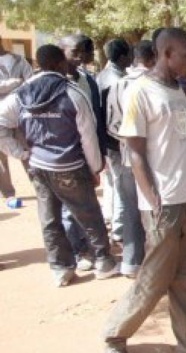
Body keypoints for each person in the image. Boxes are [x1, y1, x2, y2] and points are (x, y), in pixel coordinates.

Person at [103, 28, 186, 353]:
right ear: (166, 54)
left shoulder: (178, 88)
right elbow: (134, 151)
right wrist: (151, 197)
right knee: (155, 277)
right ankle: (115, 334)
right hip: (164, 202)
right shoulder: (140, 92)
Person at [0, 44, 118, 286]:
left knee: (49, 218)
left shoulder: (21, 94)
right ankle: (104, 261)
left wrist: (20, 152)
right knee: (89, 214)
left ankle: (60, 268)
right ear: (58, 64)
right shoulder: (72, 93)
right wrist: (95, 167)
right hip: (70, 165)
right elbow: (87, 136)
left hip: (38, 166)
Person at [104, 40, 154, 278]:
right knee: (155, 210)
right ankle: (156, 265)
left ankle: (132, 262)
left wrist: (130, 140)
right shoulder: (156, 84)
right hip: (156, 161)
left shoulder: (119, 85)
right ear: (154, 57)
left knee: (131, 212)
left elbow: (112, 125)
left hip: (126, 158)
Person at [59, 34, 107, 271]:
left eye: (83, 53)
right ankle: (78, 251)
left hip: (88, 151)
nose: (79, 58)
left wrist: (99, 155)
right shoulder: (53, 84)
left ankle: (91, 247)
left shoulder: (88, 80)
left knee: (88, 204)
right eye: (74, 52)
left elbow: (96, 118)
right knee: (69, 208)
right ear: (62, 51)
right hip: (65, 155)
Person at [96, 39, 132, 241]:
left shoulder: (102, 76)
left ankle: (112, 221)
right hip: (116, 142)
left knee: (113, 184)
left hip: (107, 141)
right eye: (130, 54)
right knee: (122, 187)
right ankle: (119, 230)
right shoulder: (116, 82)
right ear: (123, 57)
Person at [0, 36, 33, 206]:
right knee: (1, 157)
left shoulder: (19, 60)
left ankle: (38, 184)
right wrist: (15, 82)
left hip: (21, 112)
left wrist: (16, 86)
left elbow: (30, 82)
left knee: (27, 148)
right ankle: (8, 193)